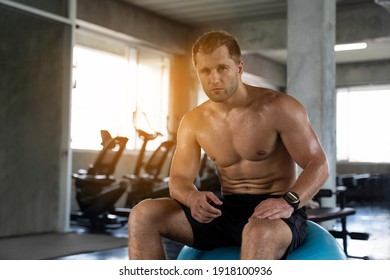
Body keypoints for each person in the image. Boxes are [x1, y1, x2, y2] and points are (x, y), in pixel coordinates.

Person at [128, 30, 329, 260]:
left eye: (222, 68)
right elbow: (179, 180)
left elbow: (319, 163)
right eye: (205, 71)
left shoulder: (279, 108)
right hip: (226, 209)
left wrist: (289, 202)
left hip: (275, 210)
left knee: (256, 233)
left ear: (239, 68)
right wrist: (192, 198)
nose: (214, 79)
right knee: (143, 214)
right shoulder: (194, 121)